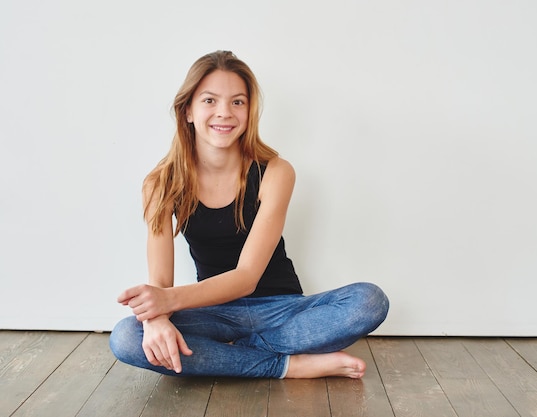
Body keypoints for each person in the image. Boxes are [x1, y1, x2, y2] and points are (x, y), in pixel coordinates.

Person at [109, 51, 389, 379]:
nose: (224, 113)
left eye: (237, 102)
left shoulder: (276, 172)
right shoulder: (160, 183)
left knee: (370, 300)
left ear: (249, 110)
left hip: (282, 309)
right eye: (210, 100)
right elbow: (160, 283)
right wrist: (155, 318)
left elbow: (246, 278)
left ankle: (236, 356)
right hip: (212, 314)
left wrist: (165, 301)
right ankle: (286, 364)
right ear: (188, 110)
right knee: (127, 337)